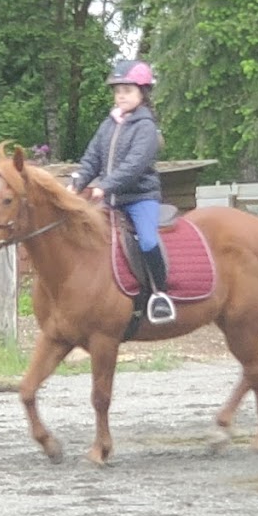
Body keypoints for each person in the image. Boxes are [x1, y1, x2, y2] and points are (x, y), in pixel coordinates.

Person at [69, 57, 176, 324]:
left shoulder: (146, 127)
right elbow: (92, 158)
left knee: (149, 241)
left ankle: (159, 295)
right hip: (112, 201)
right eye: (117, 91)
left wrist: (103, 187)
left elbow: (134, 166)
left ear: (143, 93)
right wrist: (76, 184)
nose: (120, 96)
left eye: (127, 91)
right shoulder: (108, 125)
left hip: (140, 199)